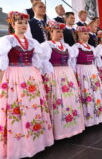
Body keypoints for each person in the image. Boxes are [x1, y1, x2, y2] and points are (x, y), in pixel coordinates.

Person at [0, 11, 54, 158]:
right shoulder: (7, 40)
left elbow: (37, 62)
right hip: (14, 76)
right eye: (20, 22)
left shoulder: (32, 42)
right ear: (12, 24)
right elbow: (2, 64)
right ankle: (19, 147)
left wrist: (38, 78)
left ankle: (35, 142)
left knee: (32, 107)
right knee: (17, 110)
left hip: (31, 76)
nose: (23, 25)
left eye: (25, 23)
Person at [41, 21, 85, 139]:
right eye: (57, 31)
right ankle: (61, 131)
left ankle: (73, 127)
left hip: (67, 74)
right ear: (50, 32)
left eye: (61, 32)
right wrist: (48, 75)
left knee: (70, 99)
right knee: (58, 100)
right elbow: (44, 62)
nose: (60, 34)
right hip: (54, 74)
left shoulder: (66, 46)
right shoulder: (46, 45)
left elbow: (71, 61)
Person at [72, 26, 102, 126]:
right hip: (82, 70)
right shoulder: (75, 47)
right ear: (79, 34)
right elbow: (72, 63)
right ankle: (88, 119)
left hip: (92, 71)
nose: (87, 36)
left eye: (87, 34)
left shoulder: (92, 48)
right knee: (86, 93)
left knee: (95, 92)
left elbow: (96, 60)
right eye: (84, 34)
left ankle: (98, 116)